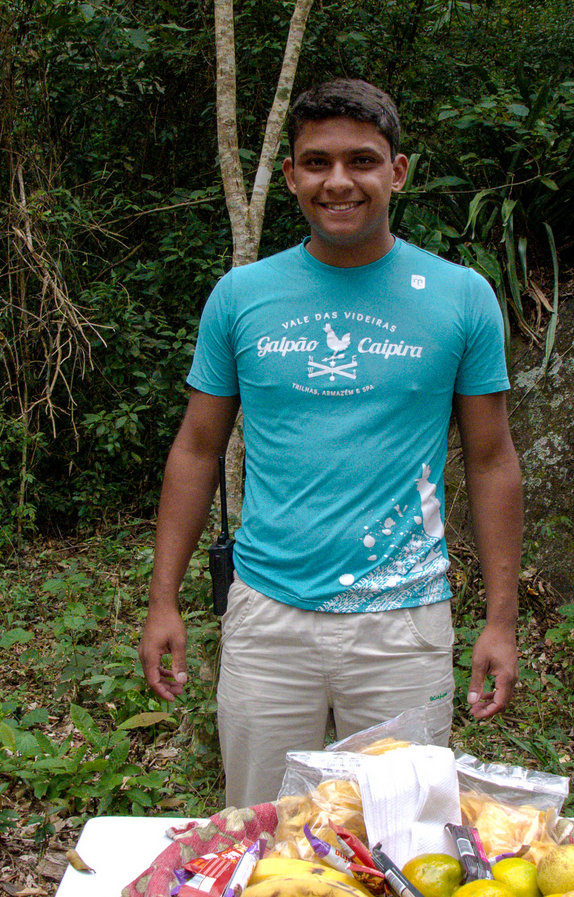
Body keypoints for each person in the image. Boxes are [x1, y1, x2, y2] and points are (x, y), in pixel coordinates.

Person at [138, 78, 523, 807]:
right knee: (261, 828)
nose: (338, 181)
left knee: (403, 840)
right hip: (266, 616)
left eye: (362, 161)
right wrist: (164, 601)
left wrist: (500, 621)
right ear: (290, 175)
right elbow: (196, 449)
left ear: (397, 172)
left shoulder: (461, 296)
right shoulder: (242, 296)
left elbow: (491, 458)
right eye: (316, 162)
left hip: (404, 619)